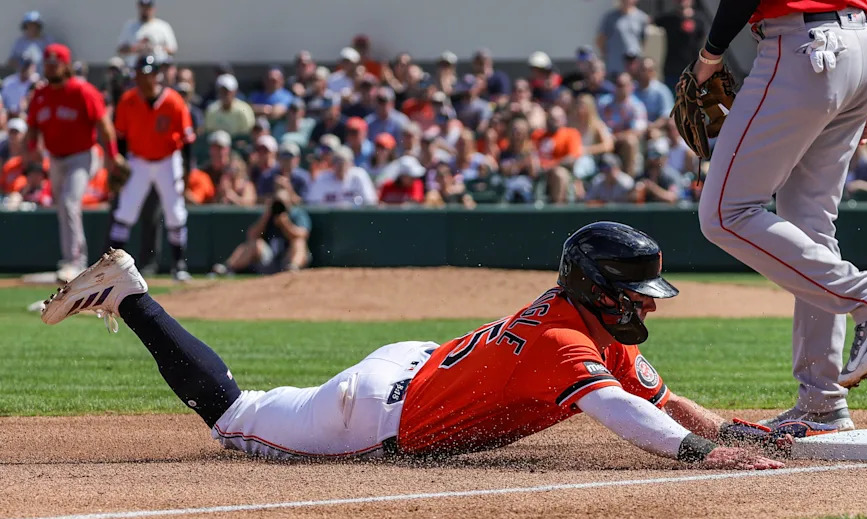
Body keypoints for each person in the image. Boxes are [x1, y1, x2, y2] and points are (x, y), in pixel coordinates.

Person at [39, 222, 790, 470]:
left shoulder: (587, 327)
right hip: (374, 412)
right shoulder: (568, 342)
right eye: (630, 294)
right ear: (596, 289)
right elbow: (631, 420)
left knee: (246, 412)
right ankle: (132, 293)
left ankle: (129, 293)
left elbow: (662, 399)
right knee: (234, 417)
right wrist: (701, 454)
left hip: (416, 362)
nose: (640, 308)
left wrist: (738, 432)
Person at [694, 0, 867, 431]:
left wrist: (711, 53)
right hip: (861, 51)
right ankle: (821, 403)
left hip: (801, 49)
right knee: (811, 227)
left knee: (724, 213)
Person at [26, 43, 121, 283]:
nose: (50, 67)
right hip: (55, 158)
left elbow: (104, 126)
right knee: (62, 206)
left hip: (83, 155)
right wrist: (32, 149)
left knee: (69, 203)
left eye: (55, 63)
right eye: (47, 63)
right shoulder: (40, 94)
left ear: (66, 65)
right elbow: (32, 127)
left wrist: (112, 157)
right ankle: (69, 259)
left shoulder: (82, 91)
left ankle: (76, 262)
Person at [110, 55, 194, 281]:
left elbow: (187, 140)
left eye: (149, 74)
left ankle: (179, 265)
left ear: (158, 75)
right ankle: (111, 268)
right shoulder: (128, 100)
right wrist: (118, 162)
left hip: (168, 160)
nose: (145, 79)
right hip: (138, 161)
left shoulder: (173, 100)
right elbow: (120, 137)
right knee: (125, 212)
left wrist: (187, 169)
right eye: (141, 74)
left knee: (175, 212)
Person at [211, 190, 311, 276]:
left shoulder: (297, 213)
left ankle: (293, 268)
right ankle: (227, 268)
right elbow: (251, 235)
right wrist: (267, 215)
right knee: (255, 243)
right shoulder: (268, 216)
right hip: (270, 261)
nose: (279, 207)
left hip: (288, 259)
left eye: (282, 203)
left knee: (299, 242)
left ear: (289, 202)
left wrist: (285, 224)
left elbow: (303, 235)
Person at [305, 146, 378, 206]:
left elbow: (370, 202)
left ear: (351, 163)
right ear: (332, 164)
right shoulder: (322, 178)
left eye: (344, 161)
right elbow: (312, 203)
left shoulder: (359, 175)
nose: (341, 165)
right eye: (337, 161)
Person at [116, 0, 178, 67]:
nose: (146, 10)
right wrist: (136, 48)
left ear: (153, 8)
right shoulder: (129, 26)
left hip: (158, 67)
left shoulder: (163, 26)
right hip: (135, 68)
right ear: (139, 7)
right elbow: (120, 49)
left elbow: (173, 49)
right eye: (143, 7)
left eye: (148, 7)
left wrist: (155, 48)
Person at [597, 0, 650, 76]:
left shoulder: (642, 18)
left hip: (634, 70)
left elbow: (644, 41)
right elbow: (600, 40)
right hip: (615, 69)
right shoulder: (610, 17)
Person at [2, 51, 40, 116]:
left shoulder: (38, 83)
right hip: (9, 116)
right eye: (23, 65)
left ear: (34, 67)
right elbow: (2, 101)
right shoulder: (8, 82)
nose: (24, 69)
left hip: (29, 116)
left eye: (27, 65)